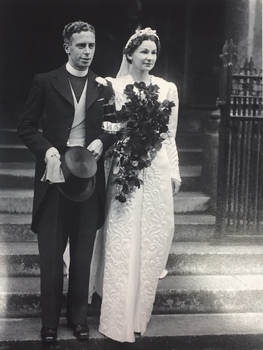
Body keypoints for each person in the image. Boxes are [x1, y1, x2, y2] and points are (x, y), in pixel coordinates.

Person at [17, 20, 114, 344]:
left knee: (83, 254)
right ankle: (48, 323)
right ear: (67, 47)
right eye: (81, 46)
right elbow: (27, 127)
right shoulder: (45, 81)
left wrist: (103, 140)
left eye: (91, 46)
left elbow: (114, 126)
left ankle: (78, 319)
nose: (87, 52)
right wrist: (48, 152)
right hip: (55, 179)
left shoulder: (103, 87)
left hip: (88, 181)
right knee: (51, 255)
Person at [97, 27, 181, 343]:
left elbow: (170, 135)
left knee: (152, 238)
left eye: (153, 52)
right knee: (123, 237)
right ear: (129, 54)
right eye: (143, 51)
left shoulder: (167, 89)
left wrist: (173, 173)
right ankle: (116, 316)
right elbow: (109, 127)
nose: (148, 57)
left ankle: (139, 315)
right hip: (125, 167)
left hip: (156, 169)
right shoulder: (114, 86)